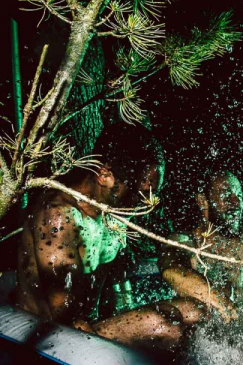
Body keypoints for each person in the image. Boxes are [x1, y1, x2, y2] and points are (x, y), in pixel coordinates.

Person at [92, 169, 243, 365]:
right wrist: (219, 299)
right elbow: (172, 271)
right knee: (192, 310)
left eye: (240, 196)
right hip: (197, 342)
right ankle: (92, 336)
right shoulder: (184, 241)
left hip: (240, 345)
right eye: (226, 194)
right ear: (203, 201)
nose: (236, 202)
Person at [14, 123, 165, 326]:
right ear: (104, 175)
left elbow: (108, 281)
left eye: (153, 193)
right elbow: (62, 309)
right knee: (162, 326)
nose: (147, 203)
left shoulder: (112, 211)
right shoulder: (59, 216)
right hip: (43, 331)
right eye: (142, 192)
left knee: (180, 312)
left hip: (83, 324)